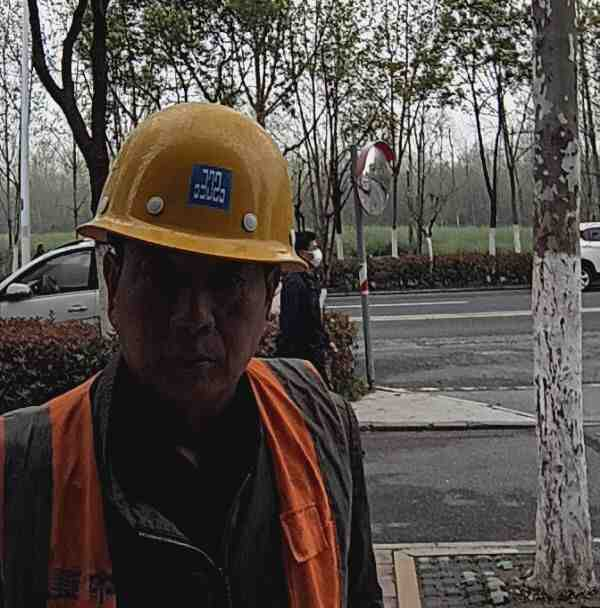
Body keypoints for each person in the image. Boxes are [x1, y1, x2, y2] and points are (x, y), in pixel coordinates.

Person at [0, 103, 383, 607]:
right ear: (114, 283)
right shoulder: (23, 468)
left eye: (228, 281)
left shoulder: (320, 427)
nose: (195, 316)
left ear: (270, 293)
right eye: (163, 277)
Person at [277, 230, 336, 387]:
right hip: (302, 353)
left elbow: (314, 317)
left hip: (313, 350)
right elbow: (289, 321)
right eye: (313, 248)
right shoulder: (294, 282)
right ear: (303, 253)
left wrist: (326, 340)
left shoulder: (309, 279)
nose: (317, 252)